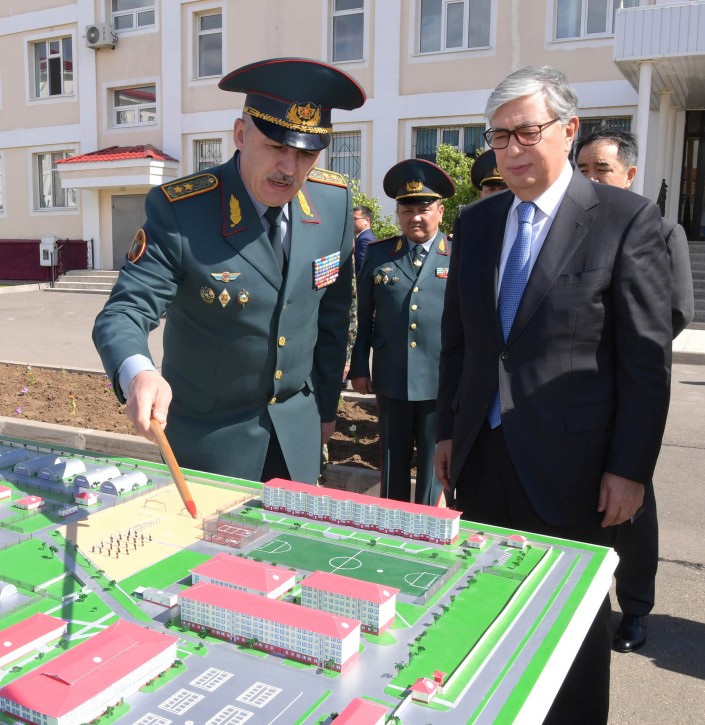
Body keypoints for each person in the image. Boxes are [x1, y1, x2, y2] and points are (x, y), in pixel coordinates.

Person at [434, 66, 672, 723]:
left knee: (568, 635)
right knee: (484, 618)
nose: (510, 150)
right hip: (483, 460)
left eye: (526, 132)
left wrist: (629, 469)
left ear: (568, 130)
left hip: (576, 471)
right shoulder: (478, 222)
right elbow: (460, 343)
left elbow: (645, 362)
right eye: (498, 136)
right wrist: (448, 431)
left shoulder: (624, 219)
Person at [93, 57, 366, 485]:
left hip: (298, 433)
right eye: (275, 147)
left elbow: (332, 315)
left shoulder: (333, 203)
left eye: (306, 154)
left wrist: (325, 409)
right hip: (209, 440)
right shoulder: (184, 212)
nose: (290, 169)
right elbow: (124, 311)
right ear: (240, 135)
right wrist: (139, 373)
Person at [576, 128, 694, 653]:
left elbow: (675, 310)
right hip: (575, 395)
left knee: (632, 505)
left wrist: (620, 351)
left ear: (629, 174)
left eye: (601, 169)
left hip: (627, 392)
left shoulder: (660, 228)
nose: (591, 179)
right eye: (583, 169)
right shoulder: (572, 225)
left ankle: (637, 607)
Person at [350, 159, 455, 505]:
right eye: (407, 210)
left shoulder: (458, 255)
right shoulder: (380, 255)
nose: (416, 218)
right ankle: (390, 523)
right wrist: (360, 368)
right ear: (397, 214)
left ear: (440, 211)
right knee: (391, 462)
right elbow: (363, 318)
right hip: (392, 377)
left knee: (434, 466)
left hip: (439, 379)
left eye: (424, 209)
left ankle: (427, 525)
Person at [352, 205, 377, 274]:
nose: (351, 221)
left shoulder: (365, 239)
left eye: (354, 219)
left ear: (366, 221)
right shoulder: (364, 237)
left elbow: (364, 269)